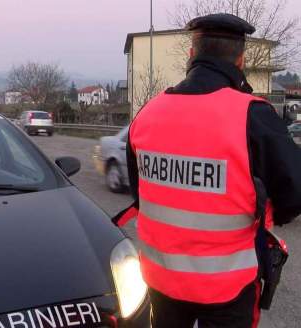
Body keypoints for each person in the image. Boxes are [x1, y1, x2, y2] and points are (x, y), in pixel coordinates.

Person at [114, 13, 301, 328]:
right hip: (227, 288)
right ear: (240, 60)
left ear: (191, 55)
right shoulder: (252, 115)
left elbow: (142, 194)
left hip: (161, 281)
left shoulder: (147, 115)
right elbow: (294, 195)